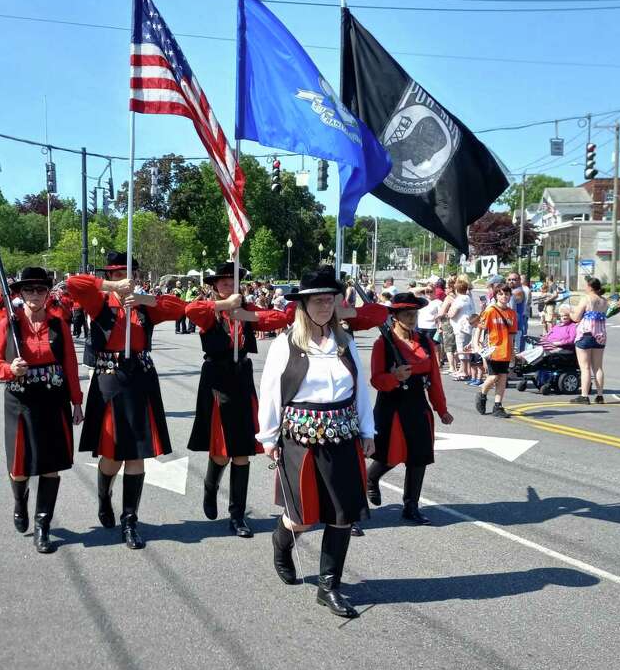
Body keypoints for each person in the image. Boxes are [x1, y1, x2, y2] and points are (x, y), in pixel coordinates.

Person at [257, 266, 374, 619]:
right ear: (303, 305)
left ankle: (329, 586)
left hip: (343, 436)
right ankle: (281, 544)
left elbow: (360, 391)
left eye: (330, 299)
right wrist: (267, 436)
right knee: (302, 517)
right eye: (317, 300)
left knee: (341, 515)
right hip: (300, 441)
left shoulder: (345, 342)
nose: (325, 305)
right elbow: (271, 393)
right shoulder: (286, 344)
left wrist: (368, 431)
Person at [67, 251, 185, 550]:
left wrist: (144, 299)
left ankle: (129, 521)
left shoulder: (144, 306)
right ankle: (104, 496)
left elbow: (180, 308)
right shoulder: (100, 300)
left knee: (137, 455)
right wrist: (110, 288)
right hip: (110, 380)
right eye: (115, 273)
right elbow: (74, 284)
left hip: (140, 380)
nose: (121, 278)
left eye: (124, 274)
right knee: (112, 455)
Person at [184, 261, 288, 537]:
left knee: (242, 452)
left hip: (241, 378)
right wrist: (224, 305)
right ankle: (210, 486)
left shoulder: (246, 308)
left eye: (234, 282)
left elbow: (279, 318)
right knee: (221, 450)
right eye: (224, 282)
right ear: (215, 286)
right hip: (217, 379)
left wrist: (245, 315)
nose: (230, 286)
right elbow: (190, 310)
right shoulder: (209, 310)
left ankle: (237, 515)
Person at [0, 268, 85, 554]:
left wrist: (77, 401)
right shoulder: (8, 324)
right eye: (28, 290)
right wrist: (10, 369)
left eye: (39, 290)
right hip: (21, 401)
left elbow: (70, 364)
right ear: (19, 294)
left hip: (53, 399)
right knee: (19, 467)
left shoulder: (59, 324)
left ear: (47, 293)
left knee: (50, 465)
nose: (34, 295)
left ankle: (43, 525)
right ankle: (20, 502)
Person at [366, 292, 453, 526]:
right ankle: (370, 480)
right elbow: (376, 380)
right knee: (389, 456)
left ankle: (411, 507)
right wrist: (393, 377)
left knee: (418, 458)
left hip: (417, 403)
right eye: (407, 313)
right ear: (394, 316)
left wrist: (441, 409)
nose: (412, 317)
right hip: (392, 404)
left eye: (414, 313)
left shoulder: (425, 341)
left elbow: (434, 378)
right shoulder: (383, 343)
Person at [475, 284, 517, 418]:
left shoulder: (512, 314)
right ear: (496, 295)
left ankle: (497, 406)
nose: (504, 296)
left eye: (506, 294)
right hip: (492, 350)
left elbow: (511, 335)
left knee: (503, 378)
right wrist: (477, 344)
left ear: (510, 296)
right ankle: (482, 394)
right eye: (501, 294)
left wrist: (512, 353)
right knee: (493, 377)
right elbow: (480, 328)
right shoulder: (490, 311)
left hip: (505, 350)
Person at [570, 276, 608, 404]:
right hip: (600, 334)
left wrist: (568, 311)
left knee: (585, 367)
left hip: (586, 333)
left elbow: (576, 317)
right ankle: (600, 395)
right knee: (598, 367)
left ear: (590, 287)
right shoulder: (604, 301)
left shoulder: (586, 299)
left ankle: (584, 395)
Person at [507, 272, 529, 351]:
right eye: (509, 279)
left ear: (519, 280)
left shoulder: (518, 291)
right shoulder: (511, 292)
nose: (511, 281)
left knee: (516, 350)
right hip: (511, 324)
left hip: (517, 325)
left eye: (514, 279)